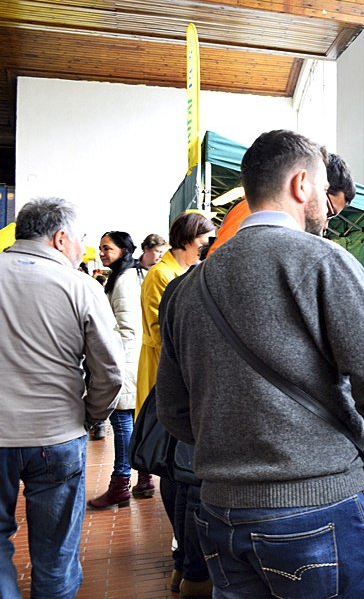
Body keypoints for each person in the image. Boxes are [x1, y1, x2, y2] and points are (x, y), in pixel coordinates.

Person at [156, 129, 364, 598]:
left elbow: (174, 410)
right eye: (321, 191)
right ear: (301, 185)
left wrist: (241, 447)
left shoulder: (187, 287)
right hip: (319, 511)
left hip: (220, 513)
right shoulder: (322, 261)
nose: (327, 210)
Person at [0, 198, 123, 599]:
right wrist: (90, 416)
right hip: (57, 435)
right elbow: (109, 370)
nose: (82, 249)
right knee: (56, 556)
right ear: (61, 237)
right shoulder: (81, 286)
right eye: (81, 241)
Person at [134, 211, 214, 596]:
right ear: (189, 239)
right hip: (174, 386)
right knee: (181, 476)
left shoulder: (180, 278)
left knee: (182, 478)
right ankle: (190, 569)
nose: (208, 244)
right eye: (205, 237)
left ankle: (184, 566)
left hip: (178, 387)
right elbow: (161, 335)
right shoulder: (164, 277)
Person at [206, 150, 356, 255]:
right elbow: (218, 260)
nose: (326, 224)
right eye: (328, 210)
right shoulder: (258, 212)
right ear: (304, 184)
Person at [88, 231, 143, 509]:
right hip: (127, 361)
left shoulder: (124, 280)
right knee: (133, 420)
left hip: (124, 362)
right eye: (100, 248)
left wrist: (114, 365)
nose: (102, 253)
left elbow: (128, 329)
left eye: (107, 248)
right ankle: (143, 479)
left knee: (122, 421)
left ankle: (121, 482)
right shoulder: (122, 276)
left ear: (124, 249)